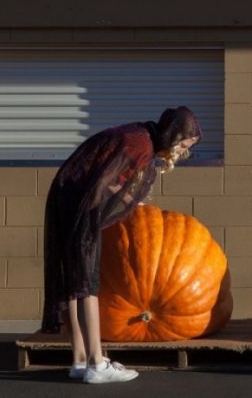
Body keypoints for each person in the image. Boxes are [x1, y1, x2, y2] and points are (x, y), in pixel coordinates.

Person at [41, 106, 201, 384]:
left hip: (68, 200)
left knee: (74, 284)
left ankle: (79, 359)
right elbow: (104, 180)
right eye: (184, 144)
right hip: (81, 208)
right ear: (174, 135)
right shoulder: (139, 143)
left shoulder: (138, 134)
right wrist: (127, 201)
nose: (183, 151)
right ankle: (96, 363)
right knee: (87, 285)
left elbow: (104, 174)